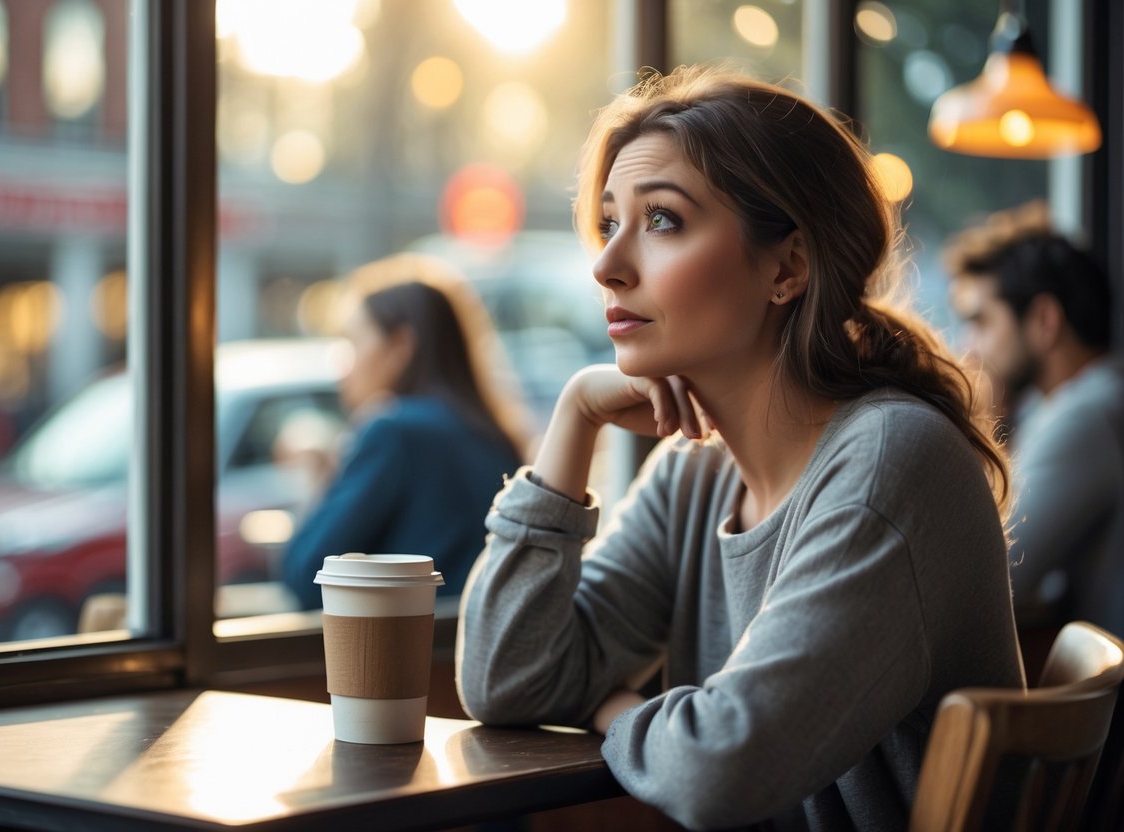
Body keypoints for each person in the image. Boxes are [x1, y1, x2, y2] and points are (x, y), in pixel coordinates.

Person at [456, 66, 1024, 831]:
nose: (605, 265)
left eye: (661, 221)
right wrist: (572, 420)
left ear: (787, 267)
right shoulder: (694, 473)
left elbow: (720, 770)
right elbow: (507, 679)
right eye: (608, 221)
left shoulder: (890, 462)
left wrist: (618, 705)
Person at [282, 254, 527, 608]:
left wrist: (317, 477)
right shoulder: (495, 434)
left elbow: (306, 576)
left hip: (405, 656)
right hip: (468, 652)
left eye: (353, 343)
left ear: (399, 346)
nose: (342, 368)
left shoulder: (393, 432)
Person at [945, 203, 1124, 638]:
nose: (967, 348)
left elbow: (987, 583)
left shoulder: (1086, 415)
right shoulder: (1071, 404)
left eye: (981, 322)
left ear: (1044, 320)